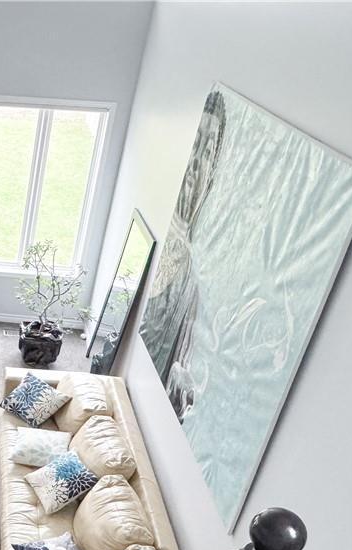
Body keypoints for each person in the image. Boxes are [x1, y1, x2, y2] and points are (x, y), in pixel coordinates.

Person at [139, 90, 227, 421]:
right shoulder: (169, 258)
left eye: (206, 154)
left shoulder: (196, 282)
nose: (195, 170)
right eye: (196, 149)